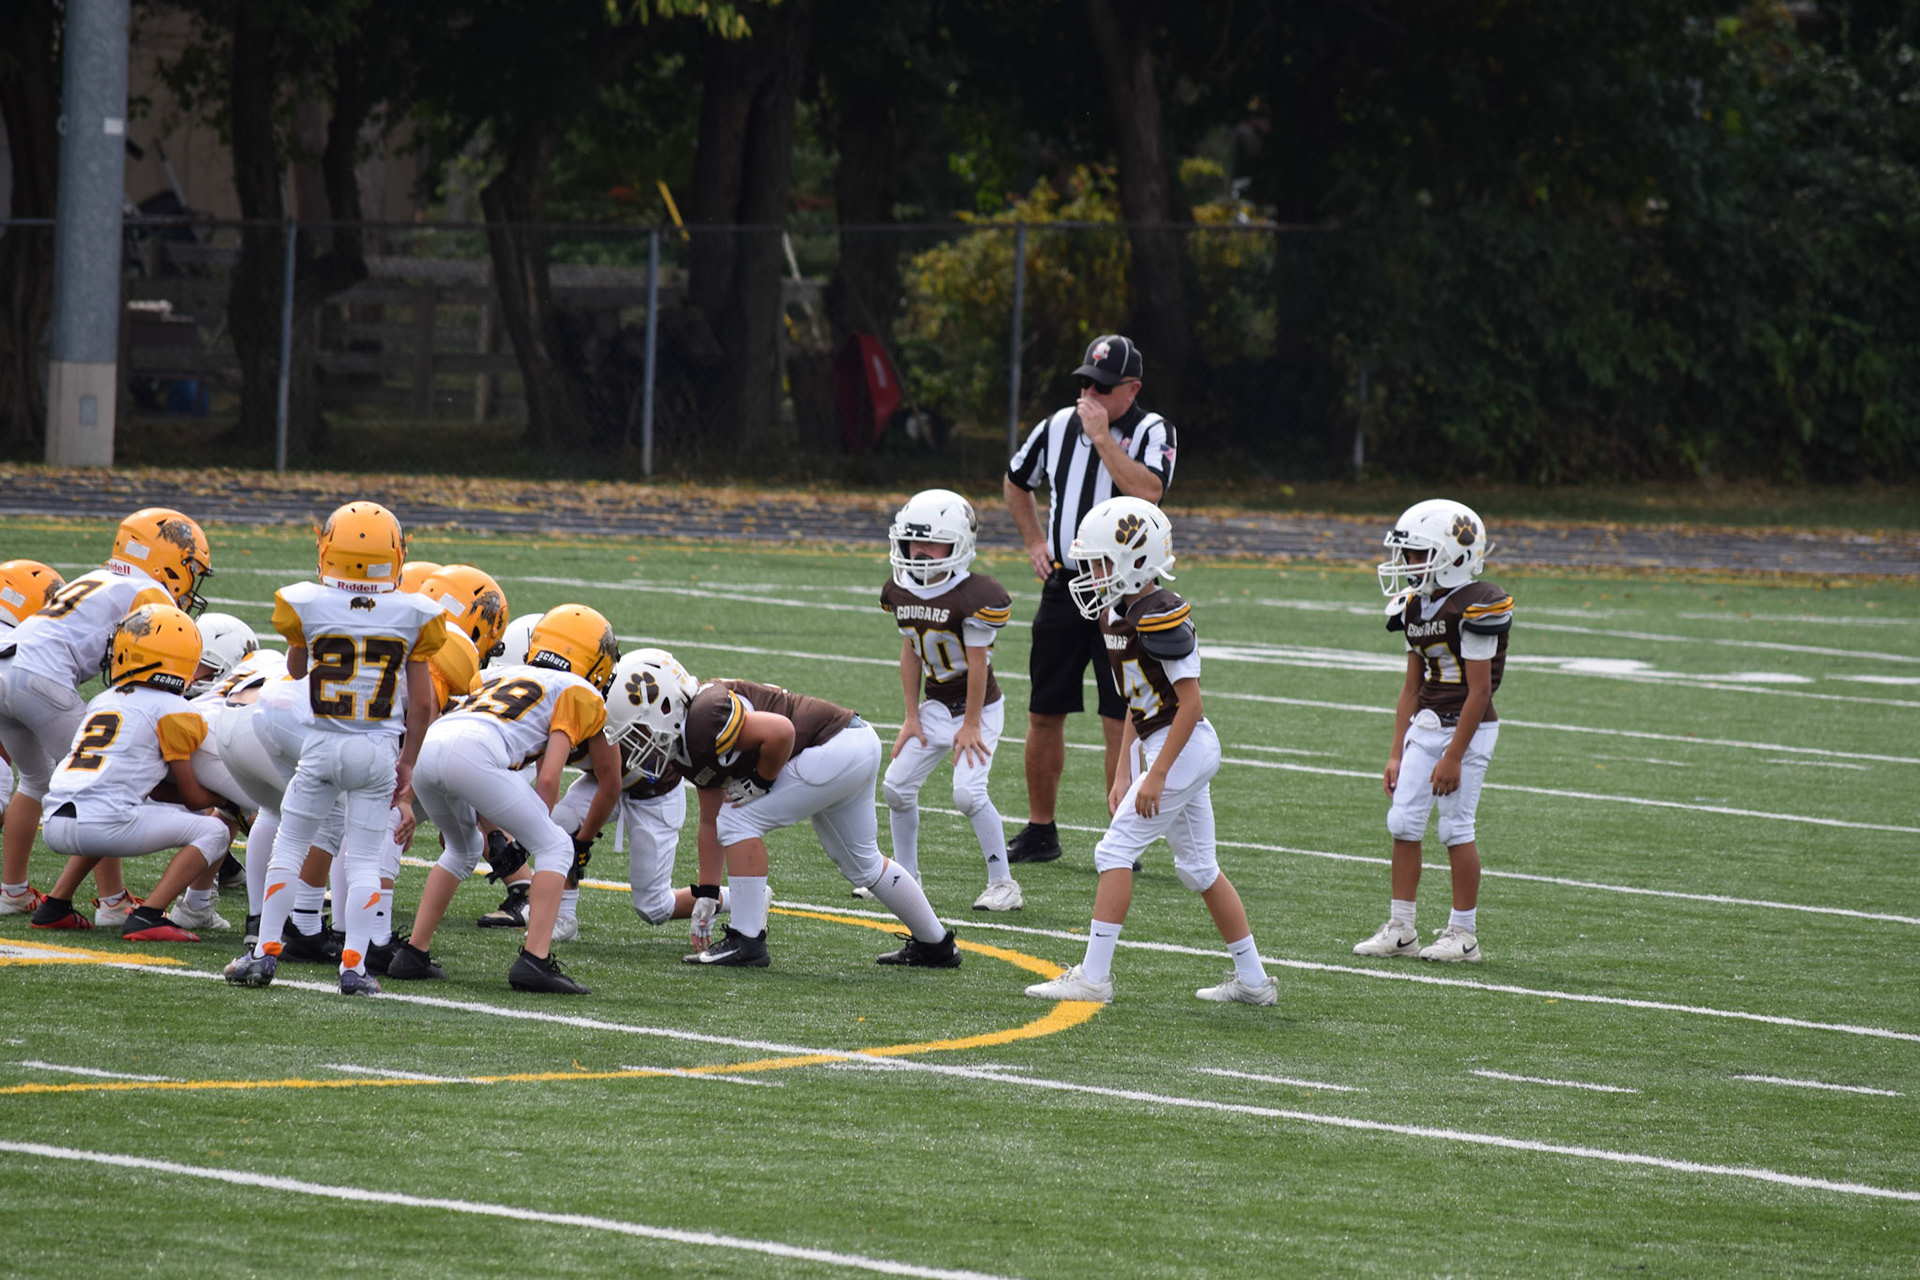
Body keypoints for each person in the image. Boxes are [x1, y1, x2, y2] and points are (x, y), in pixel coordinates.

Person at [1023, 497, 1276, 1007]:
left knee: (1113, 852)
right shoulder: (1116, 611)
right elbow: (1135, 703)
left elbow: (1190, 704)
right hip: (1169, 743)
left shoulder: (1159, 613)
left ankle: (1094, 978)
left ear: (1134, 561)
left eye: (1100, 562)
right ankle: (1254, 981)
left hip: (1182, 744)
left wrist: (1156, 774)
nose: (1091, 574)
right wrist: (1124, 770)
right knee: (1200, 868)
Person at [224, 501, 446, 995]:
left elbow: (296, 670)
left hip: (322, 743)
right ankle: (354, 967)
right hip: (376, 748)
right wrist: (409, 763)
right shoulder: (415, 613)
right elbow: (422, 704)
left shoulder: (306, 602)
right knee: (364, 859)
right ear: (397, 555)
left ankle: (263, 953)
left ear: (327, 550)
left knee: (289, 846)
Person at [624, 656, 959, 970]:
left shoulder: (704, 716)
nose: (639, 738)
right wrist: (709, 892)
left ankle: (746, 939)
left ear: (666, 704)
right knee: (863, 862)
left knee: (738, 818)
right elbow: (709, 820)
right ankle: (936, 945)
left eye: (640, 726)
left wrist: (761, 780)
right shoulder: (687, 736)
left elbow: (781, 732)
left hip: (834, 745)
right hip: (853, 743)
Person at [1003, 334, 1176, 865]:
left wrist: (1103, 439)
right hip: (1067, 586)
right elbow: (1016, 481)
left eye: (1102, 387)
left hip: (1125, 594)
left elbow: (1148, 492)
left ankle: (1123, 835)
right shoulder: (1056, 425)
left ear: (1132, 389)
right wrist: (1035, 541)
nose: (1089, 395)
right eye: (1085, 384)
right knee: (1044, 710)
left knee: (1119, 718)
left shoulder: (1152, 430)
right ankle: (1040, 829)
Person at [388, 604, 620, 993]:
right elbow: (549, 778)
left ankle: (413, 953)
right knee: (557, 847)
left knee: (462, 849)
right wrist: (527, 841)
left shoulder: (497, 673)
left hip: (432, 747)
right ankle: (534, 961)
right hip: (475, 754)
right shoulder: (578, 691)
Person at [0, 509, 212, 923]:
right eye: (190, 566)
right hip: (40, 676)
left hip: (5, 665)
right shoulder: (150, 592)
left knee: (37, 782)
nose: (192, 578)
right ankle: (113, 902)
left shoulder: (98, 577)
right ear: (169, 558)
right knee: (101, 780)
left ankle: (12, 891)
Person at [1353, 500, 1512, 964]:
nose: (1408, 563)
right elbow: (1411, 686)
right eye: (1408, 554)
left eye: (1419, 554)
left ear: (1455, 555)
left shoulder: (1477, 603)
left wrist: (1454, 756)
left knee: (1456, 828)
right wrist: (1396, 753)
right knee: (1403, 822)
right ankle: (1401, 928)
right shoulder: (1415, 604)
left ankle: (1464, 933)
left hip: (1468, 728)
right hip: (1425, 724)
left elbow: (1479, 691)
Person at [27, 605, 234, 942]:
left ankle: (55, 905)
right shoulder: (175, 709)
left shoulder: (104, 699)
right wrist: (227, 800)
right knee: (214, 832)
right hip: (102, 823)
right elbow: (194, 799)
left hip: (54, 819)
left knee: (107, 810)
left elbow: (155, 789)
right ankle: (148, 916)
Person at [878, 489, 1020, 910]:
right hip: (937, 706)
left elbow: (978, 666)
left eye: (932, 542)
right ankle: (905, 878)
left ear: (959, 544)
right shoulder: (901, 590)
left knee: (968, 795)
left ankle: (1004, 884)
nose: (919, 551)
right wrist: (911, 716)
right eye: (913, 541)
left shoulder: (974, 595)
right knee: (896, 788)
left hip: (979, 709)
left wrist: (971, 725)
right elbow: (910, 652)